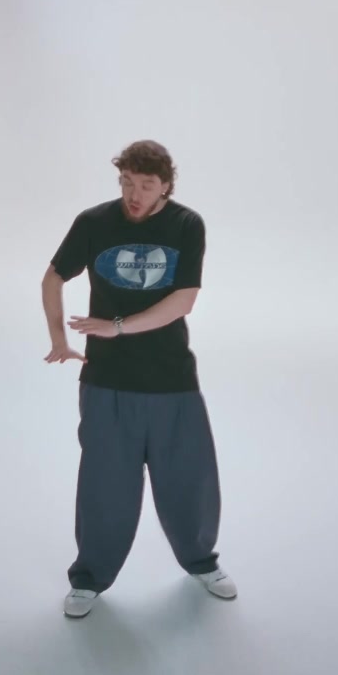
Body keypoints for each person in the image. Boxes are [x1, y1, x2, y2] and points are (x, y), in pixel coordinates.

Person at [41, 140, 237, 619]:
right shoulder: (94, 222)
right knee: (105, 485)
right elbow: (52, 278)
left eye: (146, 185)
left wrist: (117, 327)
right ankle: (89, 578)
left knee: (188, 478)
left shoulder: (186, 225)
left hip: (172, 378)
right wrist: (59, 339)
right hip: (106, 380)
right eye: (127, 182)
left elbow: (183, 300)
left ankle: (201, 562)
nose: (134, 194)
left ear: (166, 185)